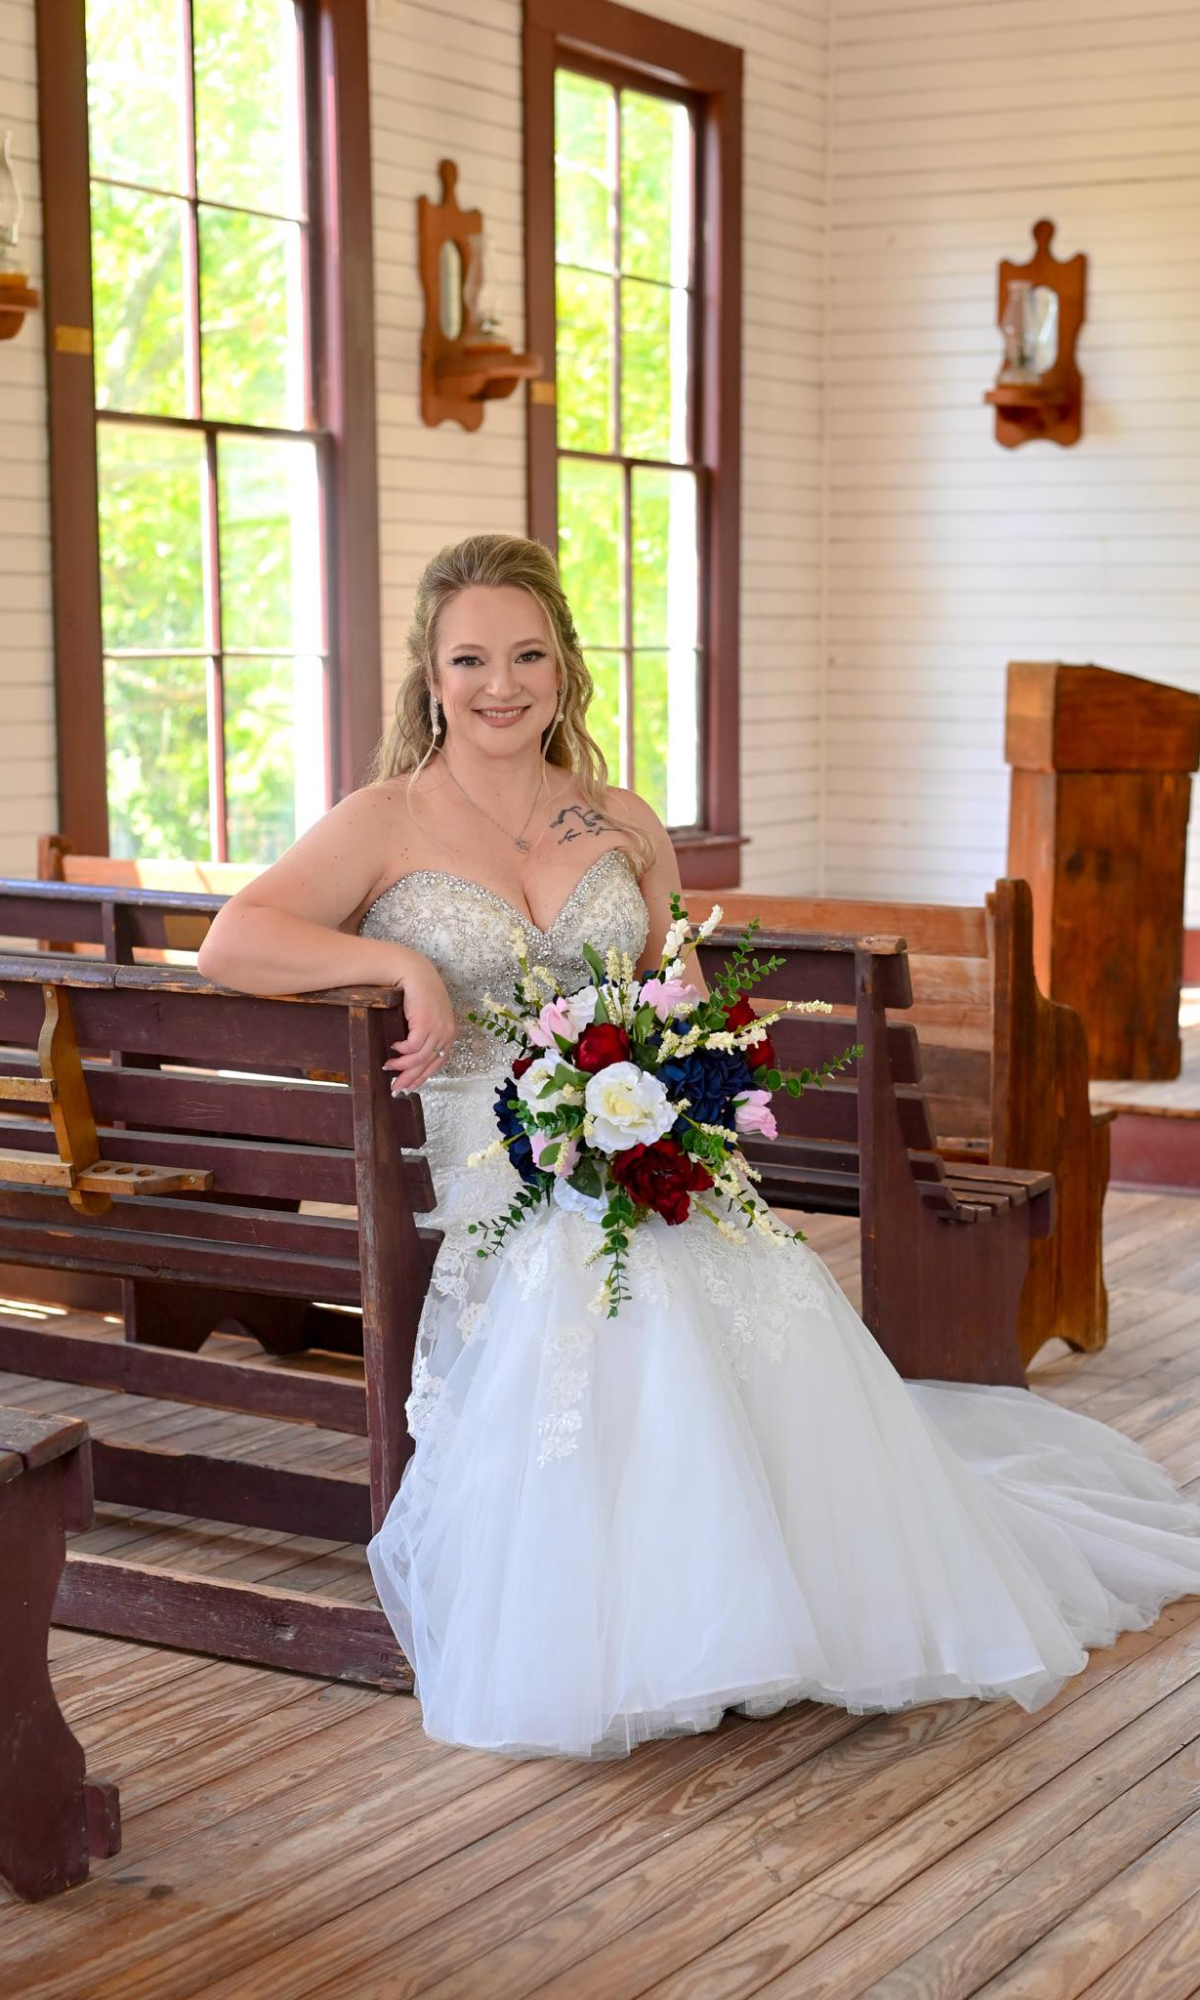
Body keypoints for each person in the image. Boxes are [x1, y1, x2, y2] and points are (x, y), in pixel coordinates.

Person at [198, 533, 1200, 1761]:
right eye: (469, 658)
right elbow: (231, 941)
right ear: (428, 671)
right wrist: (397, 960)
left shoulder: (621, 819)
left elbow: (675, 983)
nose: (498, 683)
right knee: (596, 1276)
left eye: (526, 654)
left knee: (705, 1261)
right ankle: (654, 1622)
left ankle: (767, 1598)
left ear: (564, 665)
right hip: (489, 1162)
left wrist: (674, 1094)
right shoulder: (383, 819)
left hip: (641, 1137)